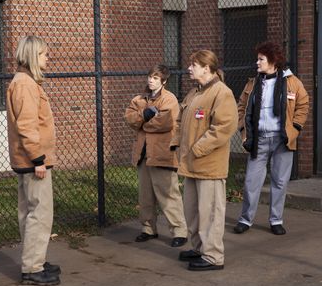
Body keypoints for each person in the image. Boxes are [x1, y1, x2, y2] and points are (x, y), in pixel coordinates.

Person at [171, 50, 238, 271]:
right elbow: (180, 120)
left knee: (210, 213)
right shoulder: (194, 93)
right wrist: (177, 143)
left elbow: (224, 128)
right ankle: (199, 248)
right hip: (190, 165)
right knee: (192, 211)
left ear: (206, 68)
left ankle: (213, 256)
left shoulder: (222, 93)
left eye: (193, 65)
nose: (189, 68)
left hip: (209, 165)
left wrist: (197, 149)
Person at [234, 41, 309, 236]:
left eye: (261, 59)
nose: (257, 63)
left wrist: (295, 128)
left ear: (273, 61)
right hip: (258, 139)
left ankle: (276, 220)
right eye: (257, 59)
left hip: (282, 140)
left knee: (279, 181)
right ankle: (245, 219)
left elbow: (303, 104)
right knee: (251, 181)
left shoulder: (291, 81)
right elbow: (241, 106)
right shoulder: (253, 83)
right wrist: (243, 129)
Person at [6, 36, 61, 286]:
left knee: (29, 212)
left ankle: (35, 259)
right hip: (33, 160)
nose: (47, 58)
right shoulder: (25, 85)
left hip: (27, 158)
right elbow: (27, 125)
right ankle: (32, 268)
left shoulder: (25, 82)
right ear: (32, 57)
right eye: (43, 54)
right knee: (39, 213)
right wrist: (38, 158)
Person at [124, 64, 188, 247]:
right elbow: (129, 117)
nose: (151, 81)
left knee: (168, 194)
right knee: (145, 196)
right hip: (143, 154)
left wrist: (142, 122)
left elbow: (165, 123)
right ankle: (148, 229)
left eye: (156, 78)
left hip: (162, 154)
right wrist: (145, 114)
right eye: (150, 77)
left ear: (164, 81)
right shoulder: (140, 98)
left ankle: (179, 231)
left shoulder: (169, 99)